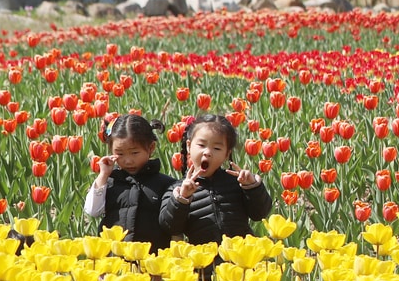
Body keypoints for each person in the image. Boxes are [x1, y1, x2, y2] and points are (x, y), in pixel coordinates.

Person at [160, 113, 272, 266]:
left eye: (217, 148)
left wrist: (252, 187)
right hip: (205, 267)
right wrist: (182, 198)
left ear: (227, 154)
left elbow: (260, 213)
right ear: (188, 146)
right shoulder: (177, 189)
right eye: (201, 145)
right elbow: (170, 226)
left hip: (241, 263)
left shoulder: (236, 184)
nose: (208, 152)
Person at [84, 114, 176, 251]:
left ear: (151, 148)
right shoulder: (110, 182)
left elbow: (173, 223)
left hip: (151, 261)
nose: (128, 160)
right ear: (111, 151)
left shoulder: (165, 184)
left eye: (134, 153)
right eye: (120, 154)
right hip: (115, 261)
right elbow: (92, 211)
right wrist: (103, 176)